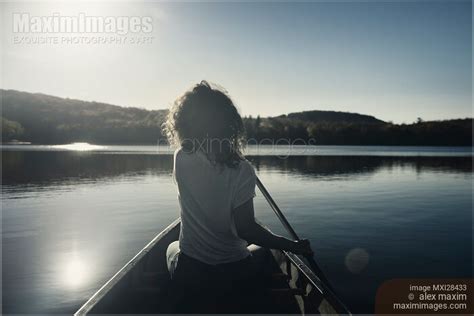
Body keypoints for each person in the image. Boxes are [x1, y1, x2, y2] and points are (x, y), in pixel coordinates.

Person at [162, 81, 312, 313]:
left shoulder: (181, 157)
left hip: (192, 271)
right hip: (234, 274)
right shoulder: (242, 170)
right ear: (229, 124)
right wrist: (291, 246)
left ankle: (180, 296)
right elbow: (247, 230)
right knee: (265, 250)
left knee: (172, 247)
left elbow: (196, 147)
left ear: (184, 123)